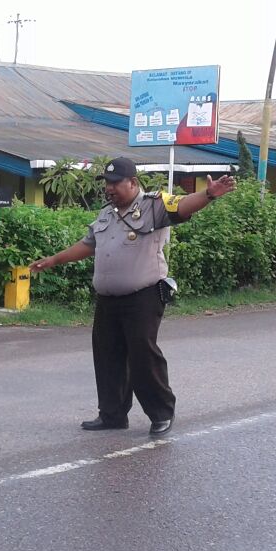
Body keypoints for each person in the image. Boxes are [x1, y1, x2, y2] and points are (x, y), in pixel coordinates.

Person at [29, 158, 237, 436]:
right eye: (107, 183)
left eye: (116, 183)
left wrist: (209, 194)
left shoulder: (155, 205)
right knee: (107, 356)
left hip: (144, 296)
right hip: (108, 299)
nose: (110, 188)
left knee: (142, 354)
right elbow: (88, 244)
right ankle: (112, 414)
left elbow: (184, 205)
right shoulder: (107, 214)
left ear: (133, 183)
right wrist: (54, 259)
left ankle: (161, 413)